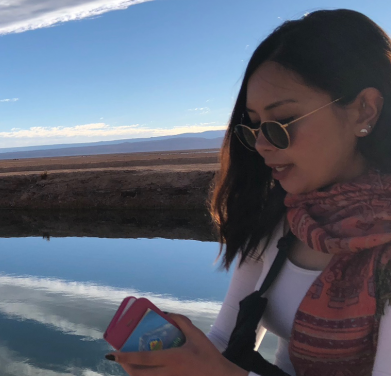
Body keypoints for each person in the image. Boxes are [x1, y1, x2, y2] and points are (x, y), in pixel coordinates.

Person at [106, 10, 391, 376]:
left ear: (364, 110)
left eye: (281, 123)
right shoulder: (281, 219)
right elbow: (227, 342)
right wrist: (184, 360)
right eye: (254, 126)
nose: (261, 146)